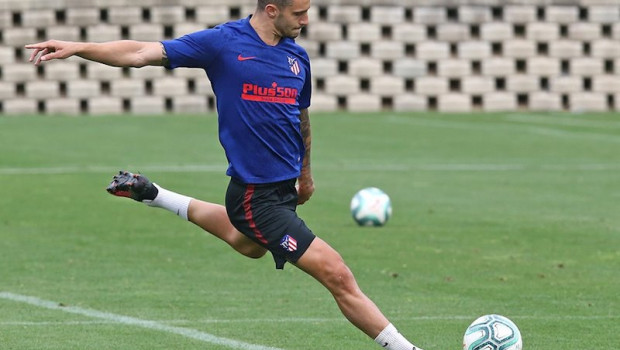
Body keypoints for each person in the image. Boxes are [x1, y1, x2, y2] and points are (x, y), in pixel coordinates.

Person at [26, 1, 424, 349]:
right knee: (336, 272)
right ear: (272, 10)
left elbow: (300, 116)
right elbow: (139, 52)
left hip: (283, 190)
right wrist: (79, 48)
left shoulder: (297, 57)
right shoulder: (223, 43)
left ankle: (153, 193)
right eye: (298, 12)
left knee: (248, 243)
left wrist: (306, 173)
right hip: (254, 196)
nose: (306, 19)